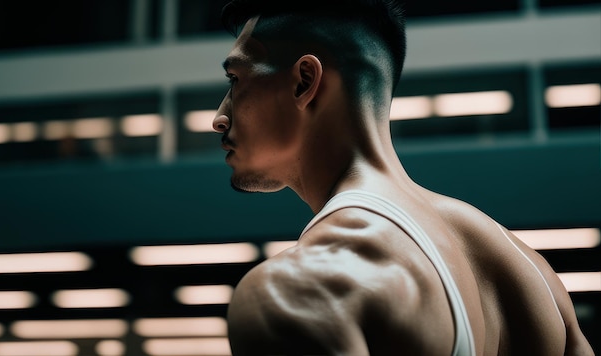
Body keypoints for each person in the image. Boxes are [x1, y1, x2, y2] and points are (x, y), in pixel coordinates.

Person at [211, 0, 594, 354]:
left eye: (235, 80)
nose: (219, 117)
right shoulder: (534, 275)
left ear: (304, 81)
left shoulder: (295, 291)